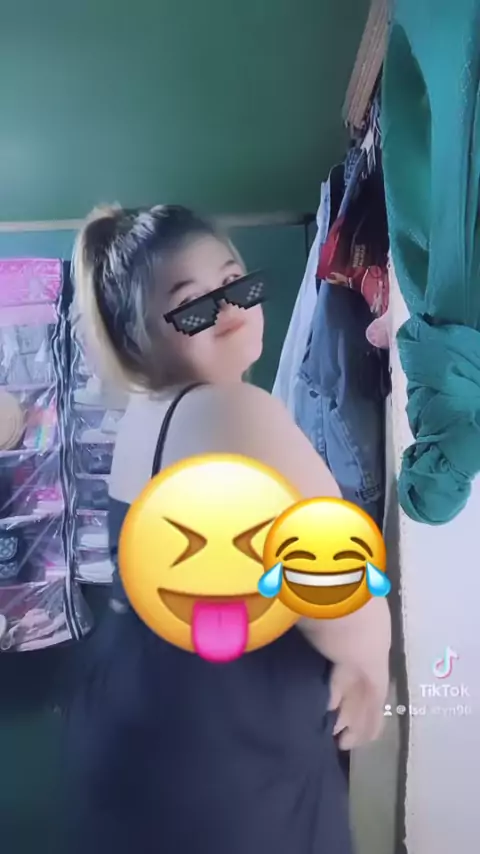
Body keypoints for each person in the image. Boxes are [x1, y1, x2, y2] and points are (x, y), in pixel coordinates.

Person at [65, 204, 391, 854]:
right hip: (230, 752)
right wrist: (369, 664)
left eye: (233, 281)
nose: (227, 307)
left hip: (145, 728)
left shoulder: (147, 418)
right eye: (191, 304)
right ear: (139, 339)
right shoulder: (236, 410)